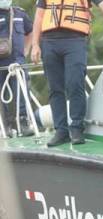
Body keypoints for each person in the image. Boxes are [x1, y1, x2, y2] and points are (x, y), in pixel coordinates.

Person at [31, 0, 103, 147]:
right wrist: (35, 45)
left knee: (75, 83)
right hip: (49, 42)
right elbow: (39, 16)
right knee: (55, 89)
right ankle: (61, 131)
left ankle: (76, 128)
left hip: (74, 41)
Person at [0, 0, 34, 137]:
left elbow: (30, 32)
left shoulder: (20, 14)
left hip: (18, 63)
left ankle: (24, 123)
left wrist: (26, 50)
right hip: (0, 65)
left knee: (23, 93)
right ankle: (5, 126)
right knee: (2, 98)